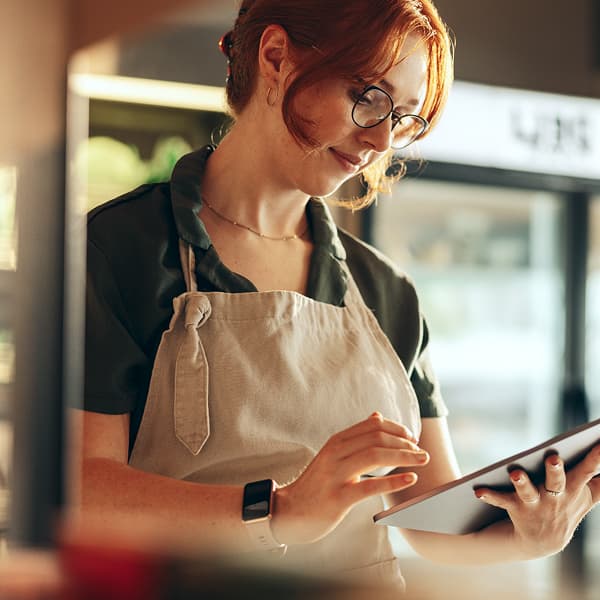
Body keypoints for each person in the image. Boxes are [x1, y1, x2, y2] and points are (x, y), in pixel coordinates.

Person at [76, 0, 600, 590]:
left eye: (403, 118)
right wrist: (278, 512)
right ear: (275, 58)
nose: (380, 140)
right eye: (368, 96)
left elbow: (426, 518)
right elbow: (80, 487)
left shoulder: (388, 292)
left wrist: (526, 534)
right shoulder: (119, 249)